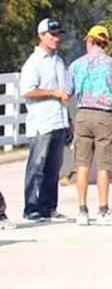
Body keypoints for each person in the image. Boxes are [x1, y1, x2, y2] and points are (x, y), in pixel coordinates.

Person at [67, 24, 112, 226]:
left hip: (83, 114)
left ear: (89, 40)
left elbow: (67, 92)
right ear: (105, 43)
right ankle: (103, 209)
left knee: (82, 164)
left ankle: (82, 210)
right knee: (104, 164)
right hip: (104, 116)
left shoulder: (76, 65)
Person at [18, 17, 71, 222]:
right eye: (52, 34)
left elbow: (63, 93)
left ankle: (49, 207)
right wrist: (53, 93)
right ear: (41, 36)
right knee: (36, 167)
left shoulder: (59, 61)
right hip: (42, 121)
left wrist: (68, 119)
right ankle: (32, 207)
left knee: (53, 168)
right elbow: (28, 91)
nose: (56, 38)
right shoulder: (34, 63)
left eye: (58, 34)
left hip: (58, 120)